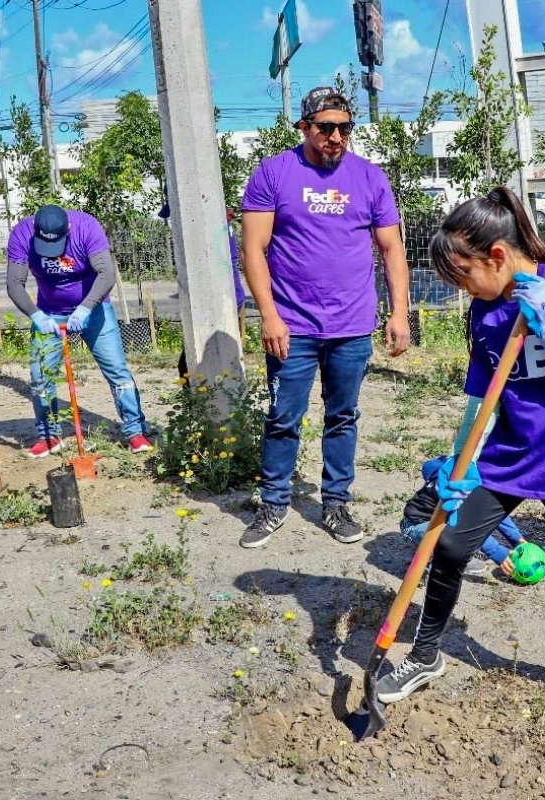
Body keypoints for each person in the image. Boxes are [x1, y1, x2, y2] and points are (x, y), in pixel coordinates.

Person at [374, 187, 545, 729]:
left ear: (497, 256)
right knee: (450, 546)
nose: (462, 290)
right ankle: (425, 656)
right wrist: (461, 464)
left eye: (464, 276)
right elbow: (482, 398)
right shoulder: (483, 311)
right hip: (509, 456)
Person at [238, 86, 412, 548]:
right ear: (304, 128)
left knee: (343, 416)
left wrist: (400, 313)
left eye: (344, 128)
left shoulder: (370, 178)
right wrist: (270, 316)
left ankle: (335, 503)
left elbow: (392, 249)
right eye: (325, 128)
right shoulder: (274, 174)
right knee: (282, 417)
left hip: (352, 327)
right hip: (292, 327)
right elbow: (252, 250)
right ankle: (273, 504)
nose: (335, 136)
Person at [6, 204, 153, 457]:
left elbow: (106, 273)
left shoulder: (86, 227)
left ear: (69, 229)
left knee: (117, 370)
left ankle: (135, 431)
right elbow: (14, 283)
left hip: (94, 308)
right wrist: (36, 315)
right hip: (49, 312)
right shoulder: (21, 234)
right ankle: (49, 436)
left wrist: (86, 307)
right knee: (40, 375)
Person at [400, 455, 527, 579]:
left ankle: (440, 552)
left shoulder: (472, 476)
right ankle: (434, 561)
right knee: (458, 537)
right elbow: (468, 527)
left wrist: (517, 538)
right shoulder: (456, 487)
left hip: (436, 522)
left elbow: (495, 513)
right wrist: (496, 552)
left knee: (467, 529)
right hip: (416, 526)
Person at [162, 204, 246, 379]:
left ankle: (203, 404)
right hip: (227, 296)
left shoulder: (204, 225)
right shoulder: (218, 220)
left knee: (191, 366)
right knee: (206, 362)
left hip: (218, 299)